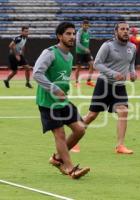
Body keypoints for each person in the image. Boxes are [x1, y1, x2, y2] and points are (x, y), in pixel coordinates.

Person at [33, 22, 90, 179]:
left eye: (73, 34)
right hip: (48, 102)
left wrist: (63, 90)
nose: (72, 37)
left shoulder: (70, 56)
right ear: (59, 36)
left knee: (80, 129)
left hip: (63, 101)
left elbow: (62, 77)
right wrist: (54, 89)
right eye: (68, 34)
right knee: (60, 133)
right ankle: (70, 168)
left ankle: (58, 158)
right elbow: (37, 73)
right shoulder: (50, 53)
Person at [81, 21, 137, 154]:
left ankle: (120, 146)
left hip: (120, 87)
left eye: (127, 29)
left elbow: (131, 63)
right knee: (92, 115)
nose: (125, 31)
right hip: (104, 85)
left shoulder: (132, 47)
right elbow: (97, 64)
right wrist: (113, 73)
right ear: (116, 31)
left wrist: (133, 72)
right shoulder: (108, 46)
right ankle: (73, 134)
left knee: (123, 111)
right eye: (122, 29)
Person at [74, 20, 95, 87]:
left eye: (87, 25)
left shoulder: (88, 32)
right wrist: (84, 49)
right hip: (80, 53)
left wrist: (87, 49)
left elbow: (87, 42)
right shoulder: (79, 32)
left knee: (92, 65)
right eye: (85, 25)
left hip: (86, 53)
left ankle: (88, 81)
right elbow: (77, 43)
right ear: (82, 25)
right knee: (78, 68)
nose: (86, 26)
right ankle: (76, 82)